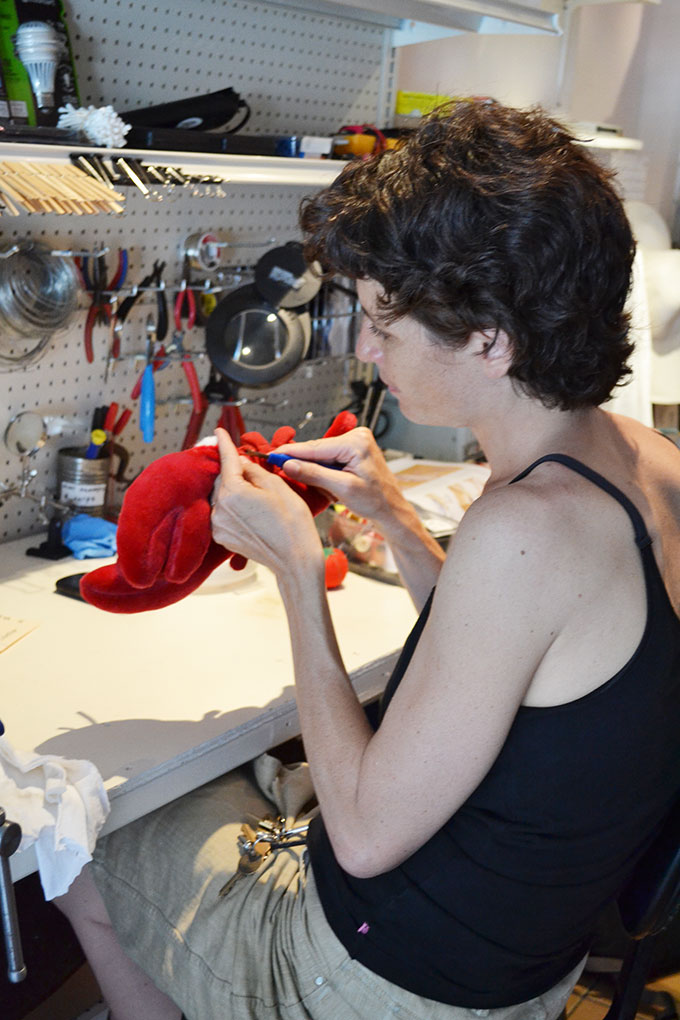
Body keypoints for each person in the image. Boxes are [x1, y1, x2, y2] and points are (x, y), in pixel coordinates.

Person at [56, 100, 680, 1020]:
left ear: (489, 340)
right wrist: (396, 519)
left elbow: (363, 835)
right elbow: (530, 667)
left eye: (385, 320)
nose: (364, 344)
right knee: (226, 783)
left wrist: (298, 576)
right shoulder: (644, 460)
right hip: (526, 956)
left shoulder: (523, 530)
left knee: (87, 838)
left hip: (388, 985)